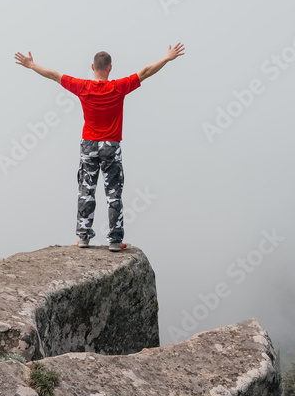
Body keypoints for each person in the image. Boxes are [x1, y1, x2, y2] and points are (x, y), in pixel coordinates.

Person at [14, 44, 185, 251]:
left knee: (86, 191)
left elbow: (53, 75)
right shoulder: (118, 87)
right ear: (110, 68)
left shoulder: (82, 87)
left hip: (89, 144)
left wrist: (31, 65)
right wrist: (166, 58)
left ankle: (84, 237)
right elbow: (146, 72)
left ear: (92, 67)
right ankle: (114, 241)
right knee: (114, 193)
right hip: (111, 145)